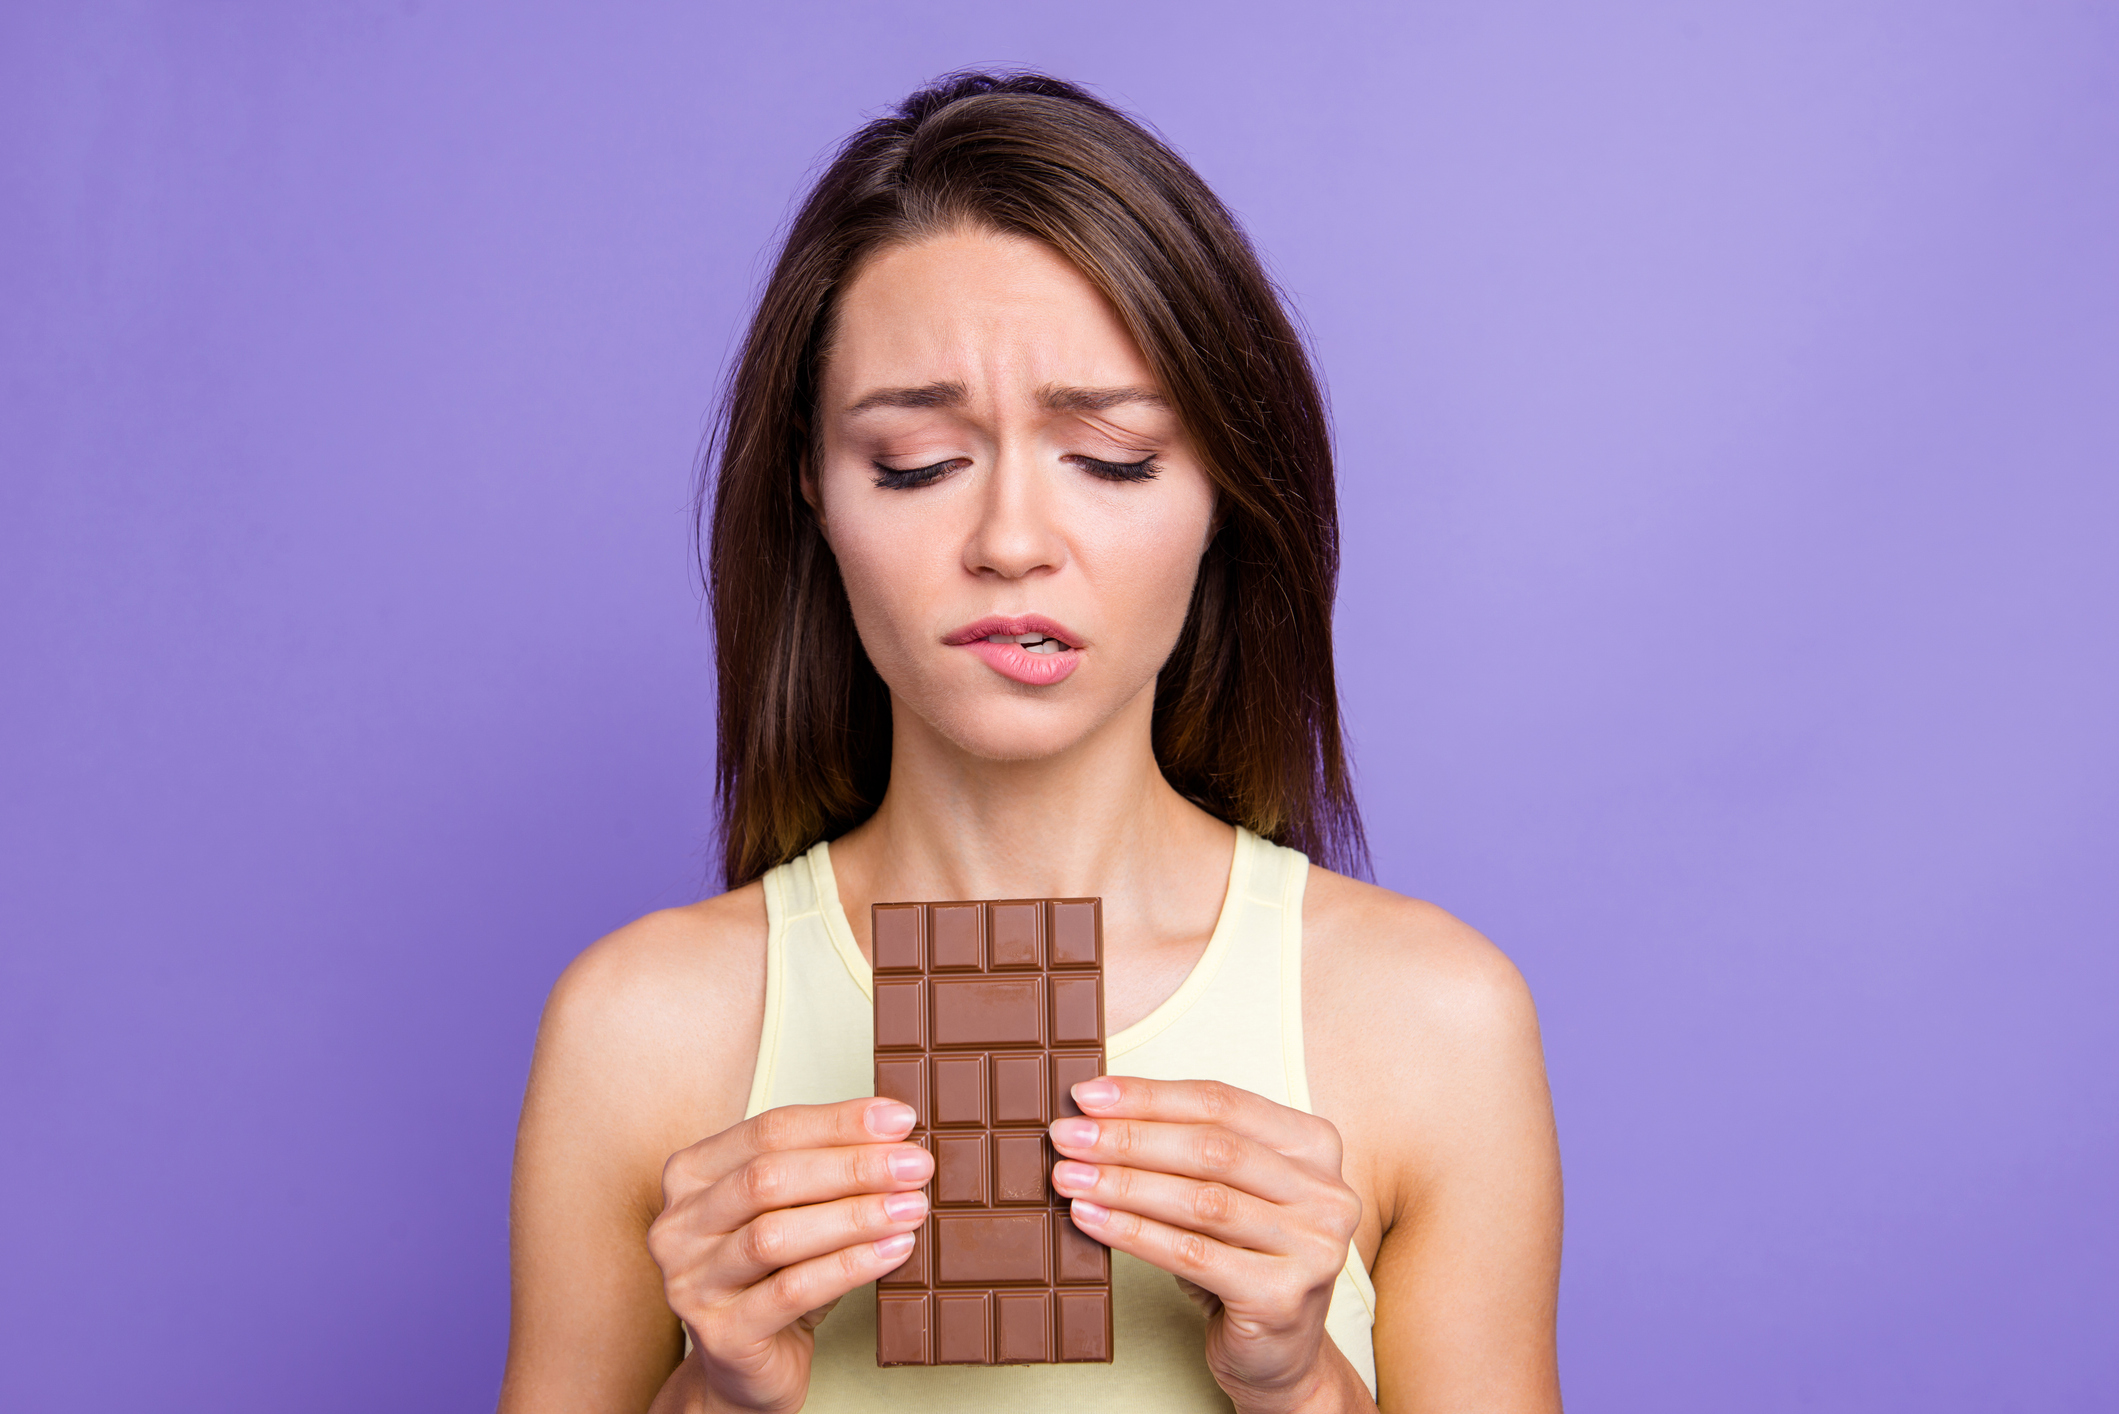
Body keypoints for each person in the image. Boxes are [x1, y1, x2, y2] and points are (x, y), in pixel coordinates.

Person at [500, 72, 1562, 1414]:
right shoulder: (637, 1031)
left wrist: (1300, 1385)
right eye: (917, 463)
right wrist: (717, 1392)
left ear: (1227, 496)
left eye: (1112, 458)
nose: (1011, 542)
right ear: (811, 492)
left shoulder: (1435, 1022)